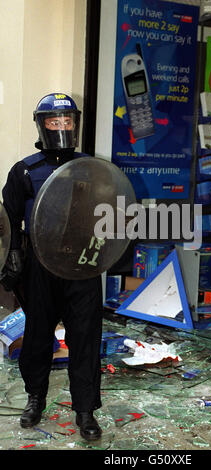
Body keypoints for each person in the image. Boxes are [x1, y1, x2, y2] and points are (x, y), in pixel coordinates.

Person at [0, 93, 103, 440]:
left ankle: (86, 411)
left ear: (75, 123)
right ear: (42, 125)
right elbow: (9, 218)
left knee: (85, 338)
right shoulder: (25, 170)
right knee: (38, 336)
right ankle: (35, 399)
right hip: (41, 265)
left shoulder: (92, 167)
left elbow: (110, 214)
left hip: (82, 266)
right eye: (54, 122)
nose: (62, 127)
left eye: (67, 121)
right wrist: (13, 251)